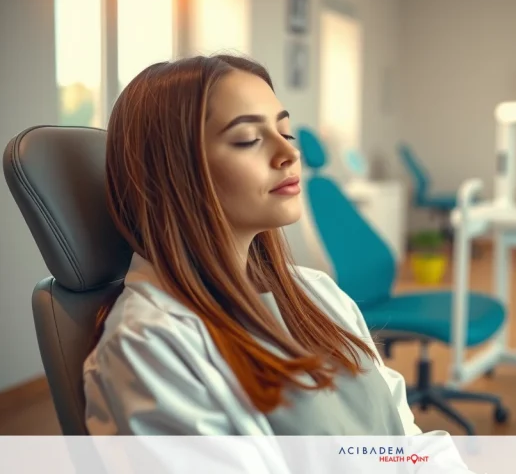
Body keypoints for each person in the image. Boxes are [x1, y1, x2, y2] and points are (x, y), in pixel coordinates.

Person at [82, 54, 472, 472]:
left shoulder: (315, 293)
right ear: (173, 171)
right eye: (249, 138)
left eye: (284, 130)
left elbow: (402, 436)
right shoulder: (149, 345)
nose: (288, 151)